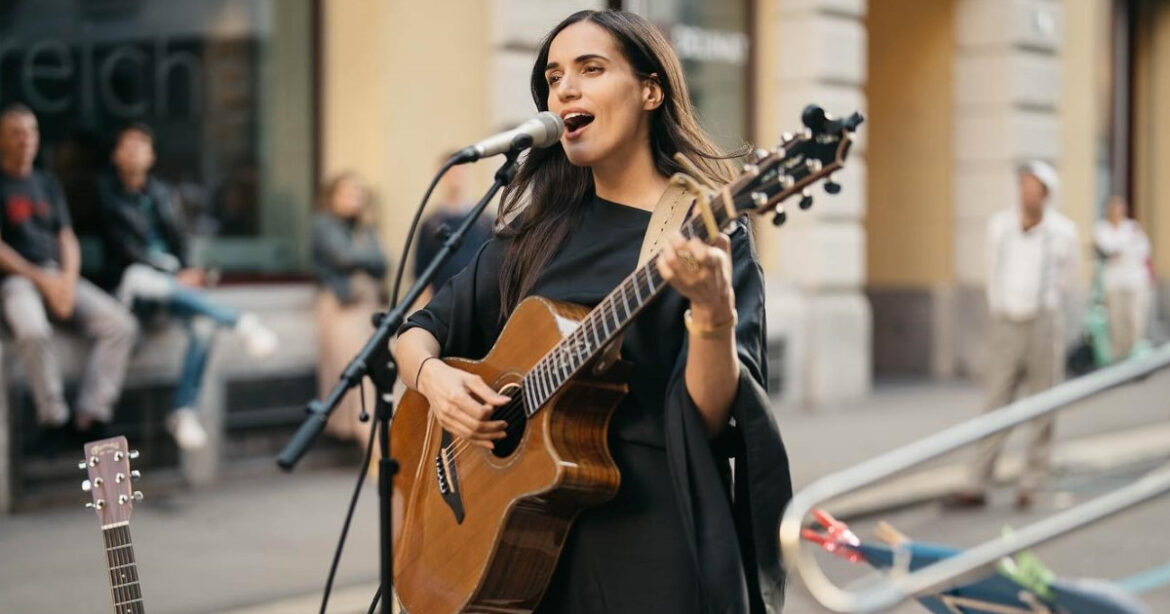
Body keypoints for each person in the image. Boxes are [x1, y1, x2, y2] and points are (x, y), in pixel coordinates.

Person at [393, 10, 790, 613]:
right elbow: (414, 333)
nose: (565, 89)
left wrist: (713, 315)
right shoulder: (535, 234)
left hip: (654, 541)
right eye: (554, 77)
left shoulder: (703, 232)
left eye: (591, 69)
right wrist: (436, 380)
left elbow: (709, 421)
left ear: (651, 91)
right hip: (520, 544)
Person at [98, 123, 278, 450]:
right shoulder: (107, 193)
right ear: (116, 155)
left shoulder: (162, 193)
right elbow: (126, 252)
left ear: (152, 156)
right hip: (131, 286)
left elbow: (179, 239)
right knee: (145, 278)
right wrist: (174, 274)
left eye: (143, 145)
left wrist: (187, 272)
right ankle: (240, 322)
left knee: (204, 327)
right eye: (129, 146)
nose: (136, 151)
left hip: (170, 285)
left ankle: (183, 411)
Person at [0, 104, 139, 451]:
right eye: (17, 132)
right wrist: (42, 281)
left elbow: (66, 237)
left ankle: (90, 415)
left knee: (121, 325)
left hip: (57, 274)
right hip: (16, 279)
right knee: (32, 331)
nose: (26, 140)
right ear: (2, 139)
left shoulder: (47, 183)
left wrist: (66, 279)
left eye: (31, 131)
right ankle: (53, 417)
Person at [946, 161, 1079, 510]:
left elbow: (1066, 280)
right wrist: (999, 307)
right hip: (1008, 320)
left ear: (1046, 195)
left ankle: (1032, 482)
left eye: (1035, 189)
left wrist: (1048, 309)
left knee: (1043, 405)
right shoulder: (1001, 226)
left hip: (1043, 321)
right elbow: (993, 268)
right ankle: (976, 480)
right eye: (1024, 187)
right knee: (996, 402)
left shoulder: (1062, 232)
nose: (1028, 194)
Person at [311, 172, 388, 449]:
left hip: (369, 308)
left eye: (358, 193)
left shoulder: (366, 228)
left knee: (383, 367)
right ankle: (373, 442)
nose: (353, 199)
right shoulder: (324, 225)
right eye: (347, 193)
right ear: (333, 196)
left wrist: (363, 259)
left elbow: (383, 263)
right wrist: (364, 259)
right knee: (357, 370)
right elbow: (344, 257)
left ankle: (384, 437)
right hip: (342, 308)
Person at [414, 157, 494, 304]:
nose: (455, 177)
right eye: (450, 172)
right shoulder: (431, 224)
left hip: (477, 301)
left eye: (459, 171)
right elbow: (421, 272)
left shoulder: (485, 221)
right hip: (441, 302)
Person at [1094, 195, 1152, 360]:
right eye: (1113, 207)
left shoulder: (1133, 227)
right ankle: (1118, 359)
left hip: (1134, 282)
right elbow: (1107, 250)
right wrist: (1124, 248)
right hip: (1113, 284)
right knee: (1116, 323)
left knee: (1134, 321)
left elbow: (1143, 250)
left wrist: (1120, 251)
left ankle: (1133, 358)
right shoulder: (1101, 228)